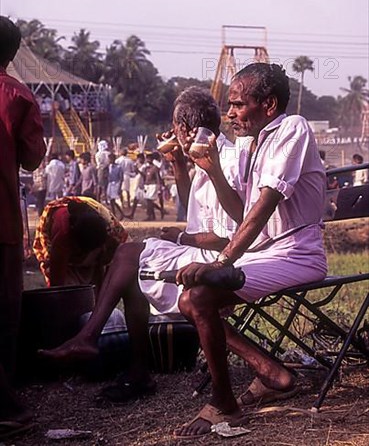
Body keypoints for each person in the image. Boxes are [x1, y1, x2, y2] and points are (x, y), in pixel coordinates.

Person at [40, 87, 240, 404]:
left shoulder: (227, 161)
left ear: (185, 130)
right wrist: (177, 165)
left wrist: (179, 239)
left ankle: (93, 339)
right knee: (130, 262)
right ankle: (134, 367)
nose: (174, 135)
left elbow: (229, 234)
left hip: (224, 260)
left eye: (176, 130)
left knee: (129, 253)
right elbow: (197, 216)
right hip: (206, 252)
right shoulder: (208, 156)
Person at [173, 63, 328, 438]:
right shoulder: (248, 145)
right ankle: (269, 370)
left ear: (269, 104)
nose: (229, 113)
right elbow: (239, 213)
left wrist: (223, 262)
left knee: (198, 296)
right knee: (188, 300)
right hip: (265, 252)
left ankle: (225, 403)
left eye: (239, 105)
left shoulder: (292, 129)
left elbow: (264, 207)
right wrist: (212, 171)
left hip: (297, 254)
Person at [0, 16, 46, 438]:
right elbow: (33, 158)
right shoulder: (16, 95)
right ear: (13, 54)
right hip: (2, 225)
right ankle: (7, 402)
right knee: (4, 314)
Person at [33, 196, 128, 294]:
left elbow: (107, 270)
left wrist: (101, 296)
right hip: (62, 239)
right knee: (69, 290)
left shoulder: (113, 230)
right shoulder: (62, 234)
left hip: (95, 239)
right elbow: (57, 281)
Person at [106, 153, 124, 220]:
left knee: (114, 200)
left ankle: (120, 213)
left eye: (110, 159)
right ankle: (114, 214)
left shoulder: (118, 167)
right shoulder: (109, 166)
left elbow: (121, 178)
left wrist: (119, 187)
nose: (109, 160)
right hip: (110, 184)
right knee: (111, 200)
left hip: (116, 183)